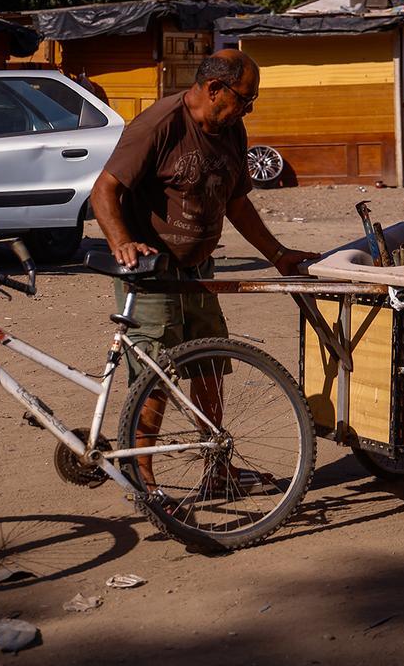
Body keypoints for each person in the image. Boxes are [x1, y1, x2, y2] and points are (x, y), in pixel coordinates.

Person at [90, 49, 317, 488]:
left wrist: (277, 254)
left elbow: (237, 202)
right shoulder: (160, 124)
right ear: (215, 88)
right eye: (245, 99)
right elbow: (104, 189)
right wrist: (122, 242)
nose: (248, 109)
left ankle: (217, 470)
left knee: (210, 366)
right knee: (155, 374)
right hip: (152, 274)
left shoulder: (230, 129)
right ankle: (143, 478)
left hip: (198, 271)